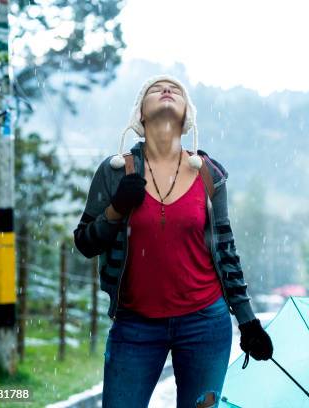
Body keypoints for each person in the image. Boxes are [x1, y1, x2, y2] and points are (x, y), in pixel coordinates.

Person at [73, 74, 273, 408]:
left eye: (176, 91)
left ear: (187, 116)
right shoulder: (114, 171)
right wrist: (115, 209)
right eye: (155, 89)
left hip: (205, 324)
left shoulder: (210, 174)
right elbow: (84, 243)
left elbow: (225, 251)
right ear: (140, 114)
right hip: (134, 325)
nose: (166, 90)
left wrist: (248, 321)